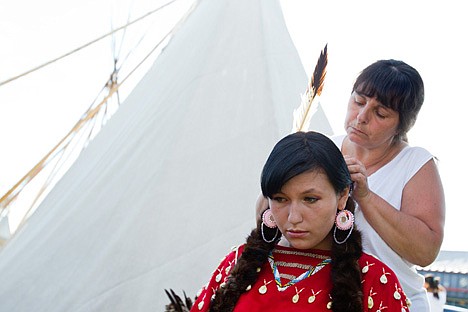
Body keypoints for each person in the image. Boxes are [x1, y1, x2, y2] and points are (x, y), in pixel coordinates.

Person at [192, 131, 410, 311]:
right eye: (280, 199)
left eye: (310, 199)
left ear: (342, 196)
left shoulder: (374, 279)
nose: (293, 217)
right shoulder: (236, 262)